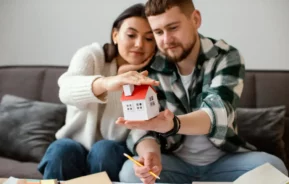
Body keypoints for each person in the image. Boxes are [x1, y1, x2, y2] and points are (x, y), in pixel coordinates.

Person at [117, 0, 288, 183]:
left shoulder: (226, 57)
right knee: (129, 173)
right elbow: (143, 128)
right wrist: (151, 155)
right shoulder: (151, 64)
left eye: (173, 28)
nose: (166, 40)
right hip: (173, 162)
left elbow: (217, 114)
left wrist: (173, 124)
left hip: (225, 161)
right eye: (158, 32)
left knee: (274, 168)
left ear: (195, 19)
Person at [37, 3, 159, 182]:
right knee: (61, 150)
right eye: (131, 35)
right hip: (73, 145)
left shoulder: (153, 76)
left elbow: (143, 127)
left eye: (149, 38)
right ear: (115, 35)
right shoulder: (91, 56)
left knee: (104, 150)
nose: (139, 44)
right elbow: (66, 91)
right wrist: (108, 83)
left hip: (112, 150)